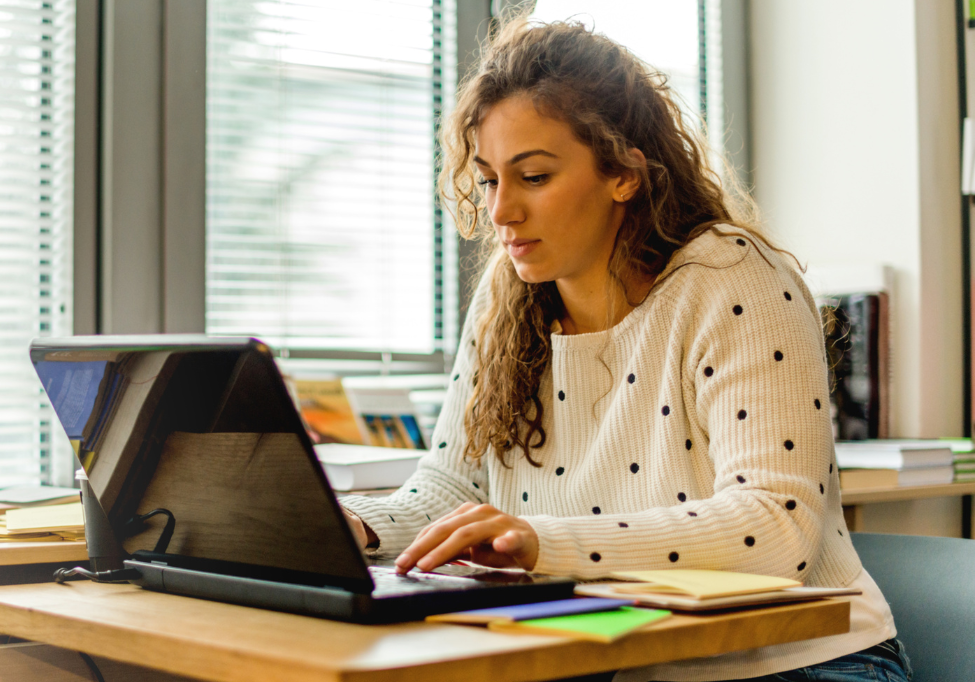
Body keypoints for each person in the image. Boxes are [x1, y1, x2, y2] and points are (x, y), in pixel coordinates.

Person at [338, 18, 911, 682]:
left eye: (534, 176)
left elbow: (773, 529)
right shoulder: (508, 296)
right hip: (623, 660)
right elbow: (449, 492)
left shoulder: (732, 279)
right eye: (491, 180)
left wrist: (537, 543)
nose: (501, 214)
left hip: (797, 662)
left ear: (624, 174)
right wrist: (351, 529)